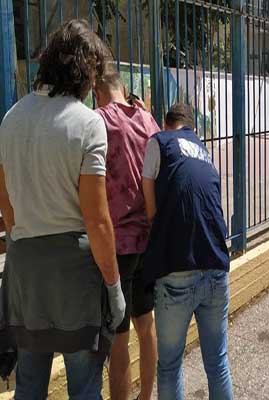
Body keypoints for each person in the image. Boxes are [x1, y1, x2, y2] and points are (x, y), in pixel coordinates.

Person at [0, 20, 125, 398]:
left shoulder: (11, 119)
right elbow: (97, 220)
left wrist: (25, 239)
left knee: (30, 384)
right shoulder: (88, 125)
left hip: (25, 271)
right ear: (85, 72)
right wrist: (114, 287)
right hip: (74, 277)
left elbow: (6, 204)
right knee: (84, 387)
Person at [141, 103, 233, 400]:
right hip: (216, 267)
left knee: (169, 366)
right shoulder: (204, 152)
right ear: (192, 127)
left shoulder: (159, 141)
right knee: (217, 363)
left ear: (166, 123)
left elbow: (149, 204)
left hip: (176, 270)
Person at [94, 70, 159, 400]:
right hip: (147, 239)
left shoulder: (99, 121)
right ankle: (145, 396)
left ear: (98, 93)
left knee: (119, 337)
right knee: (146, 326)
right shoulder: (148, 121)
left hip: (117, 246)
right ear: (122, 88)